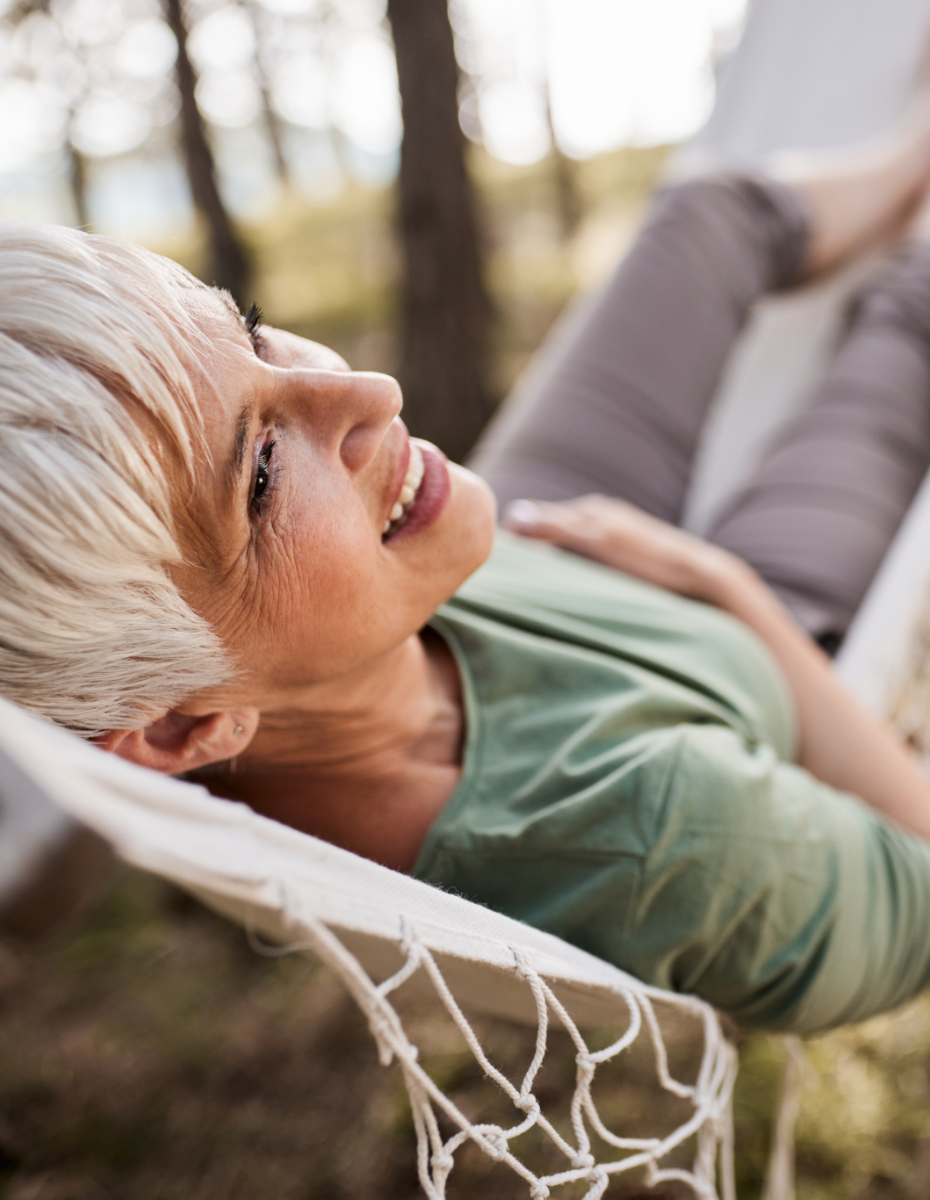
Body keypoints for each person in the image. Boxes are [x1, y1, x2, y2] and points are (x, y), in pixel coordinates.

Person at [6, 100, 930, 1032]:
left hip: (515, 547)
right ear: (176, 726)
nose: (371, 390)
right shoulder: (655, 839)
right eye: (261, 472)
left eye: (250, 334)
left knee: (713, 214)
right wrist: (732, 594)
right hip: (745, 635)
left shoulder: (233, 649)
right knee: (910, 324)